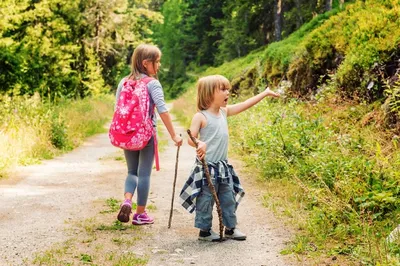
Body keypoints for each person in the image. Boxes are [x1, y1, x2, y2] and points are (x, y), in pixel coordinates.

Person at [180, 75, 280, 241]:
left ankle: (230, 228)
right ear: (209, 93)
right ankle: (204, 231)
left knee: (228, 199)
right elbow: (191, 138)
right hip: (207, 168)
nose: (228, 93)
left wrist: (264, 93)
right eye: (223, 89)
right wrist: (199, 143)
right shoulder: (201, 117)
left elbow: (244, 105)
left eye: (228, 89)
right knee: (205, 200)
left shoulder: (224, 112)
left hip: (222, 167)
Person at [116, 44, 183, 225]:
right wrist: (174, 136)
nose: (159, 65)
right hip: (145, 136)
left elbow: (118, 109)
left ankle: (127, 200)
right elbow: (163, 110)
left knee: (131, 172)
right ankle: (139, 214)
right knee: (144, 174)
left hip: (127, 135)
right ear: (146, 63)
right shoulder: (152, 83)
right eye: (157, 62)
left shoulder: (123, 82)